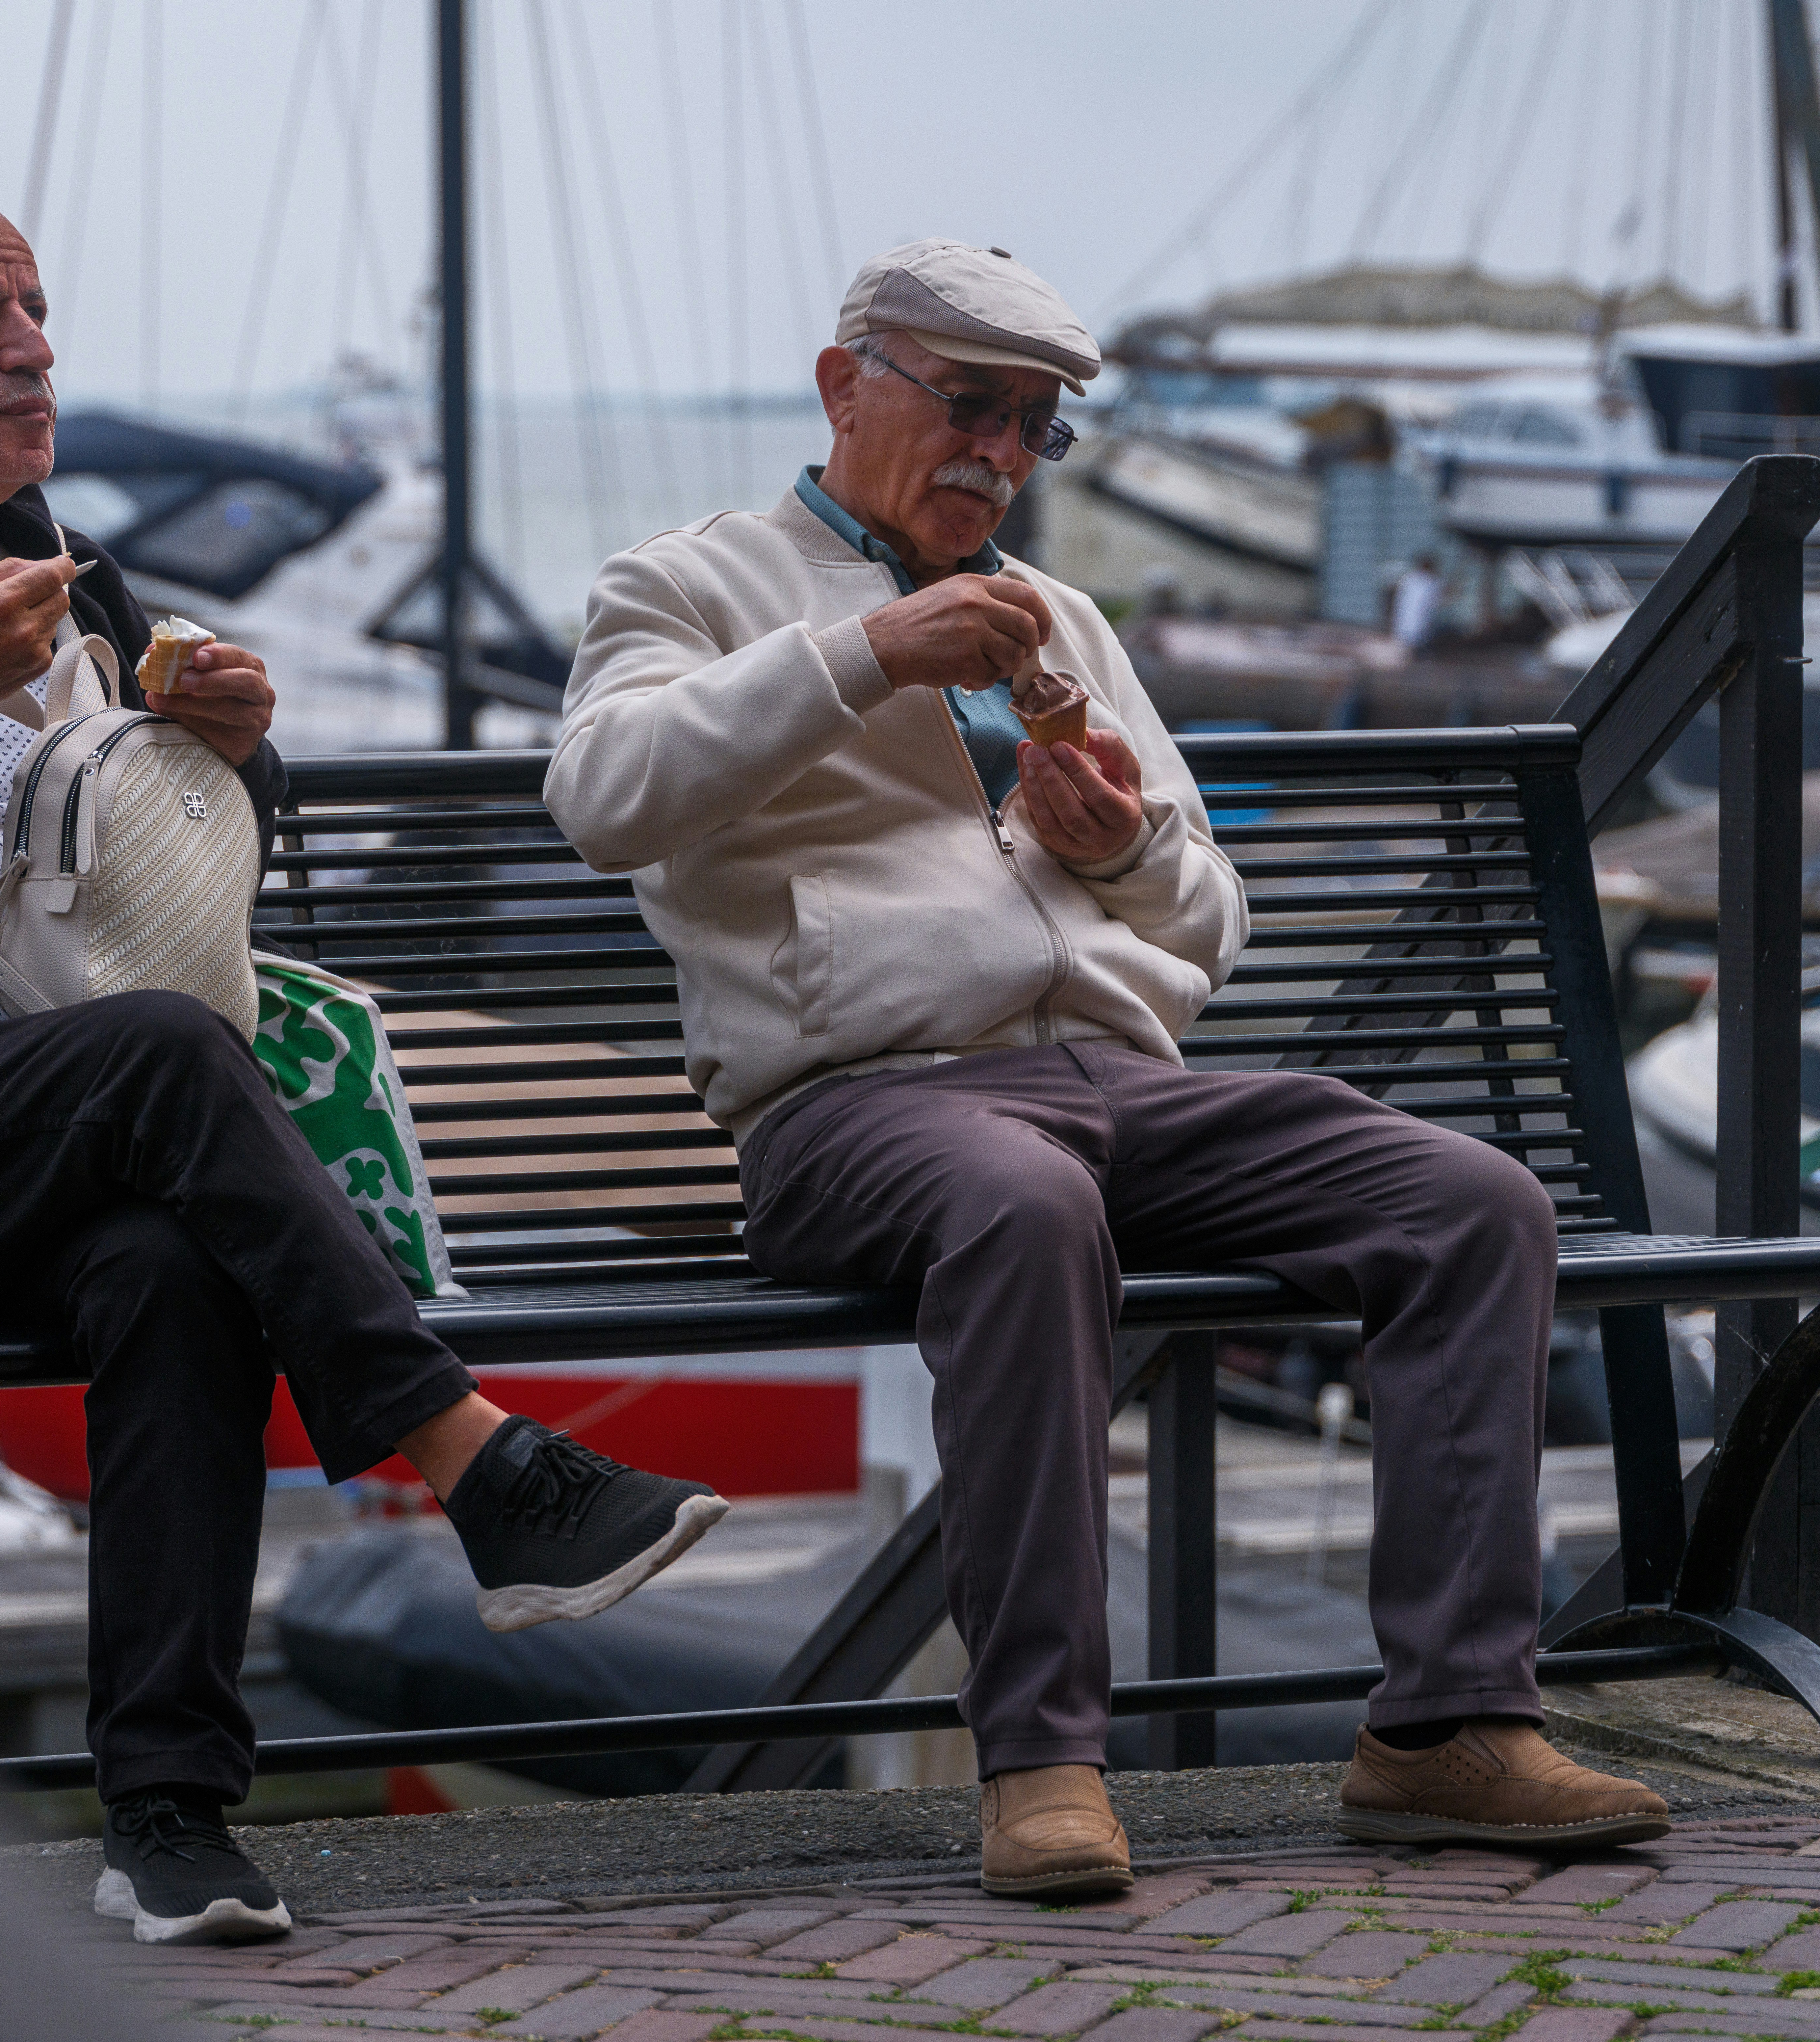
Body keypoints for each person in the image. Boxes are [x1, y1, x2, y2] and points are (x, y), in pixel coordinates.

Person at [0, 189, 725, 1946]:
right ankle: (474, 1457)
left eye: (35, 311)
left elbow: (163, 872)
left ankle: (169, 1817)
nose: (30, 348)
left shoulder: (70, 569)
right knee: (160, 1063)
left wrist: (237, 749)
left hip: (49, 1139)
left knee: (168, 1253)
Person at [543, 240, 1666, 1897]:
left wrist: (1125, 844)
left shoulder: (1062, 617)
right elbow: (602, 796)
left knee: (1470, 1198)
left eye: (1034, 425)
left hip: (1112, 1084)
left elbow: (1209, 918)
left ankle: (1446, 1727)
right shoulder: (691, 584)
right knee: (1022, 1204)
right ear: (845, 384)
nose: (1000, 454)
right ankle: (1044, 1758)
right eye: (970, 406)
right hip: (850, 1108)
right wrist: (867, 653)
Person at [1391, 551, 1443, 648]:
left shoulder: (1408, 579)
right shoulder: (1432, 582)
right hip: (1420, 633)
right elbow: (1450, 595)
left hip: (1400, 632)